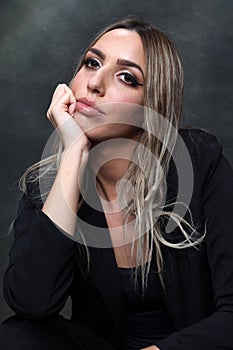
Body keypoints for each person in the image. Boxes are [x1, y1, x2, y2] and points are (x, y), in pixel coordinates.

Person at [1, 17, 233, 350]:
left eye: (126, 77)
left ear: (152, 104)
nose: (94, 83)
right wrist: (72, 156)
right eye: (91, 63)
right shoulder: (47, 186)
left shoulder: (199, 163)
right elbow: (31, 304)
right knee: (16, 336)